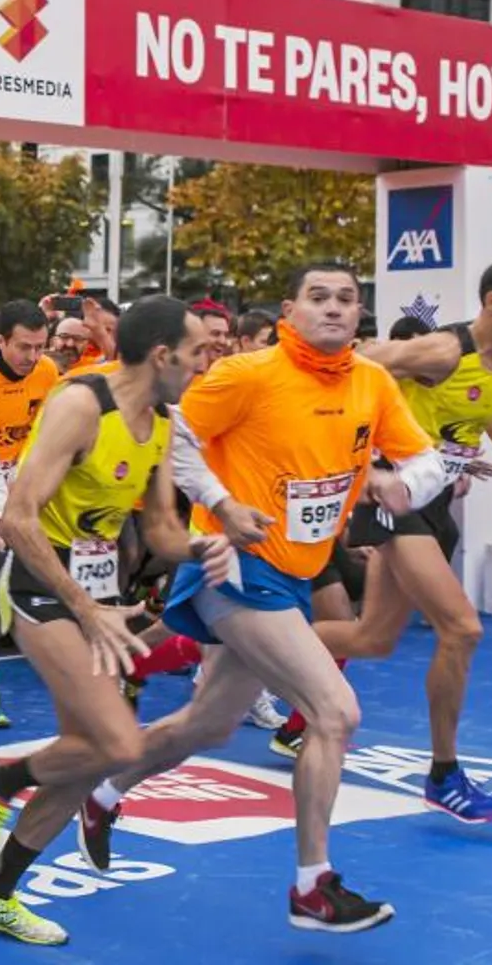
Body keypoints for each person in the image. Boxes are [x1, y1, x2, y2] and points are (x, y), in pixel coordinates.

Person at [87, 262, 449, 933]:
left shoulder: (371, 381)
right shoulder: (246, 374)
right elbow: (168, 437)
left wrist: (405, 485)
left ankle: (103, 790)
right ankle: (313, 884)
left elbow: (425, 458)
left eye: (347, 298)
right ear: (291, 308)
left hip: (295, 573)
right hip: (236, 565)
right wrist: (221, 505)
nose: (335, 308)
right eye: (319, 297)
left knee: (208, 723)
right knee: (334, 711)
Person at [0, 296, 233, 946]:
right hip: (39, 584)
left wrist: (207, 544)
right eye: (197, 353)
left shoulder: (162, 419)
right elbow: (18, 517)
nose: (205, 364)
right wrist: (85, 606)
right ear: (162, 355)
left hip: (97, 591)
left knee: (82, 762)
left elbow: (162, 526)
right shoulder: (82, 404)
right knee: (120, 744)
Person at [317, 255, 492, 823]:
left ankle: (245, 644)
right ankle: (444, 776)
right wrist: (355, 457)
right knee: (462, 628)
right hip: (393, 497)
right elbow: (357, 364)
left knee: (371, 638)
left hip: (435, 502)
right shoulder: (443, 351)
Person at [0, 299, 61, 730]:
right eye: (24, 347)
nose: (33, 358)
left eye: (41, 347)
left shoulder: (47, 374)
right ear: (0, 341)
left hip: (23, 493)